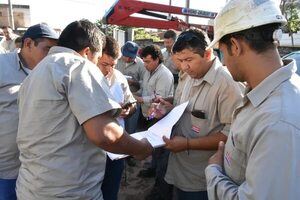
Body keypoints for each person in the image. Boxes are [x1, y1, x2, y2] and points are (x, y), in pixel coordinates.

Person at [16, 19, 153, 200]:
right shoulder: (78, 65)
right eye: (97, 59)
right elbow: (104, 134)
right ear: (87, 52)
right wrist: (141, 148)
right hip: (69, 191)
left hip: (31, 186)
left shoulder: (35, 73)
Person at [205, 0, 300, 199]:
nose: (223, 62)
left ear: (235, 45)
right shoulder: (265, 93)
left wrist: (214, 170)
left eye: (221, 52)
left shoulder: (277, 122)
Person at [150, 28, 243, 200]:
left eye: (189, 60)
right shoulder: (190, 75)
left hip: (202, 177)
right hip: (179, 168)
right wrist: (167, 110)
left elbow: (233, 136)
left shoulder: (227, 84)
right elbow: (183, 109)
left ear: (207, 54)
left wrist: (187, 144)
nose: (184, 66)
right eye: (180, 60)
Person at [0, 23, 58, 200]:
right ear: (28, 44)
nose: (50, 55)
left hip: (38, 168)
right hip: (7, 166)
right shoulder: (2, 66)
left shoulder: (53, 73)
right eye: (46, 49)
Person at [98, 36, 136, 200]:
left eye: (112, 65)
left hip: (115, 149)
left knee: (111, 190)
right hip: (91, 151)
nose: (108, 70)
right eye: (104, 64)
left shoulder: (119, 77)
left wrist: (129, 110)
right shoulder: (81, 79)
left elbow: (131, 101)